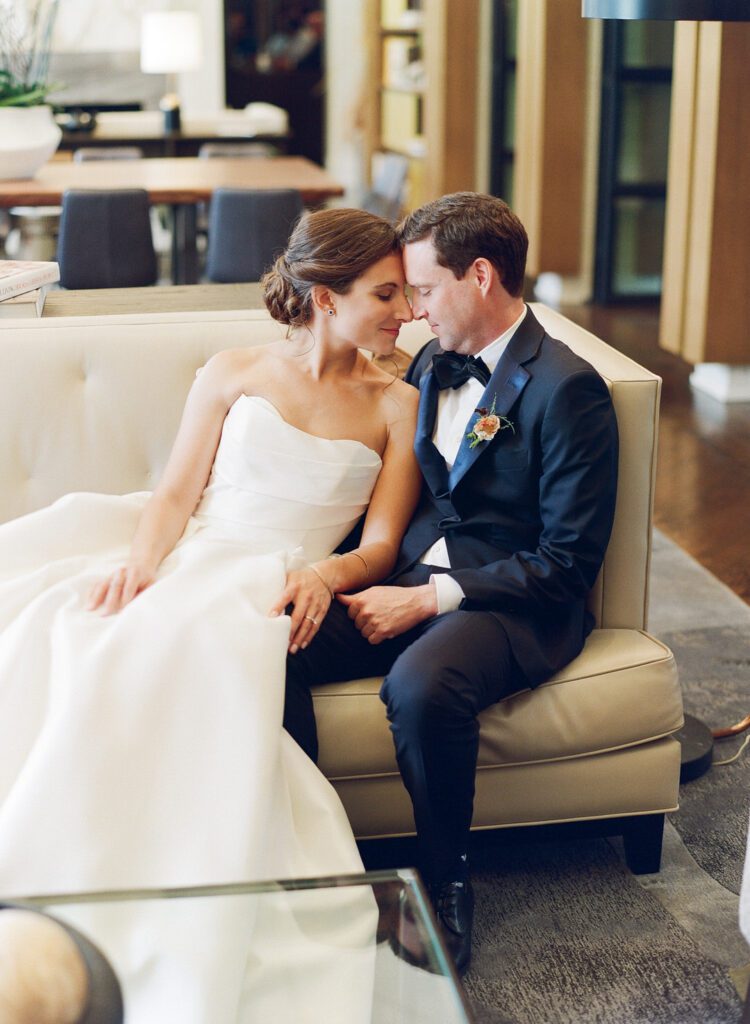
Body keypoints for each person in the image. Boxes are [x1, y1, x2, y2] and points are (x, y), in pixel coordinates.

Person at [0, 207, 418, 1021]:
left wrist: (324, 577)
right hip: (196, 549)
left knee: (201, 645)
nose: (404, 314)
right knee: (84, 627)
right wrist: (142, 563)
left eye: (405, 294)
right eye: (386, 294)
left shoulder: (396, 404)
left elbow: (381, 546)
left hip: (279, 576)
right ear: (326, 298)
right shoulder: (235, 370)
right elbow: (175, 494)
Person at [284, 191, 620, 974]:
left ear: (480, 275)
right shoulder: (435, 361)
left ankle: (445, 883)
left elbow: (568, 561)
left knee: (421, 685)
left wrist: (433, 598)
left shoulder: (569, 389)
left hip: (515, 601)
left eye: (424, 290)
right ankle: (310, 862)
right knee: (278, 640)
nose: (411, 309)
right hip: (414, 576)